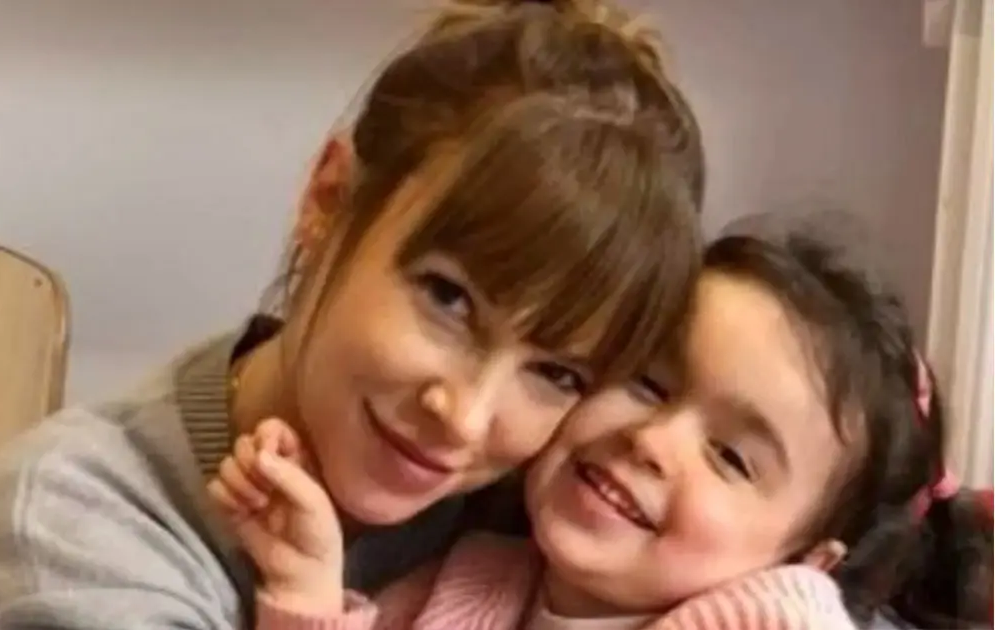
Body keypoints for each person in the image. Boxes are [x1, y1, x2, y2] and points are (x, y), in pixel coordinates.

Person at [0, 1, 706, 628]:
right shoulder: (81, 519)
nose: (467, 418)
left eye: (556, 372)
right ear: (328, 198)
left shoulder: (539, 516)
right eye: (449, 299)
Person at [215, 215, 994, 630]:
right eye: (647, 383)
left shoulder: (777, 620)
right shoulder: (474, 577)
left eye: (730, 457)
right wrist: (309, 589)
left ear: (807, 558)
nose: (651, 440)